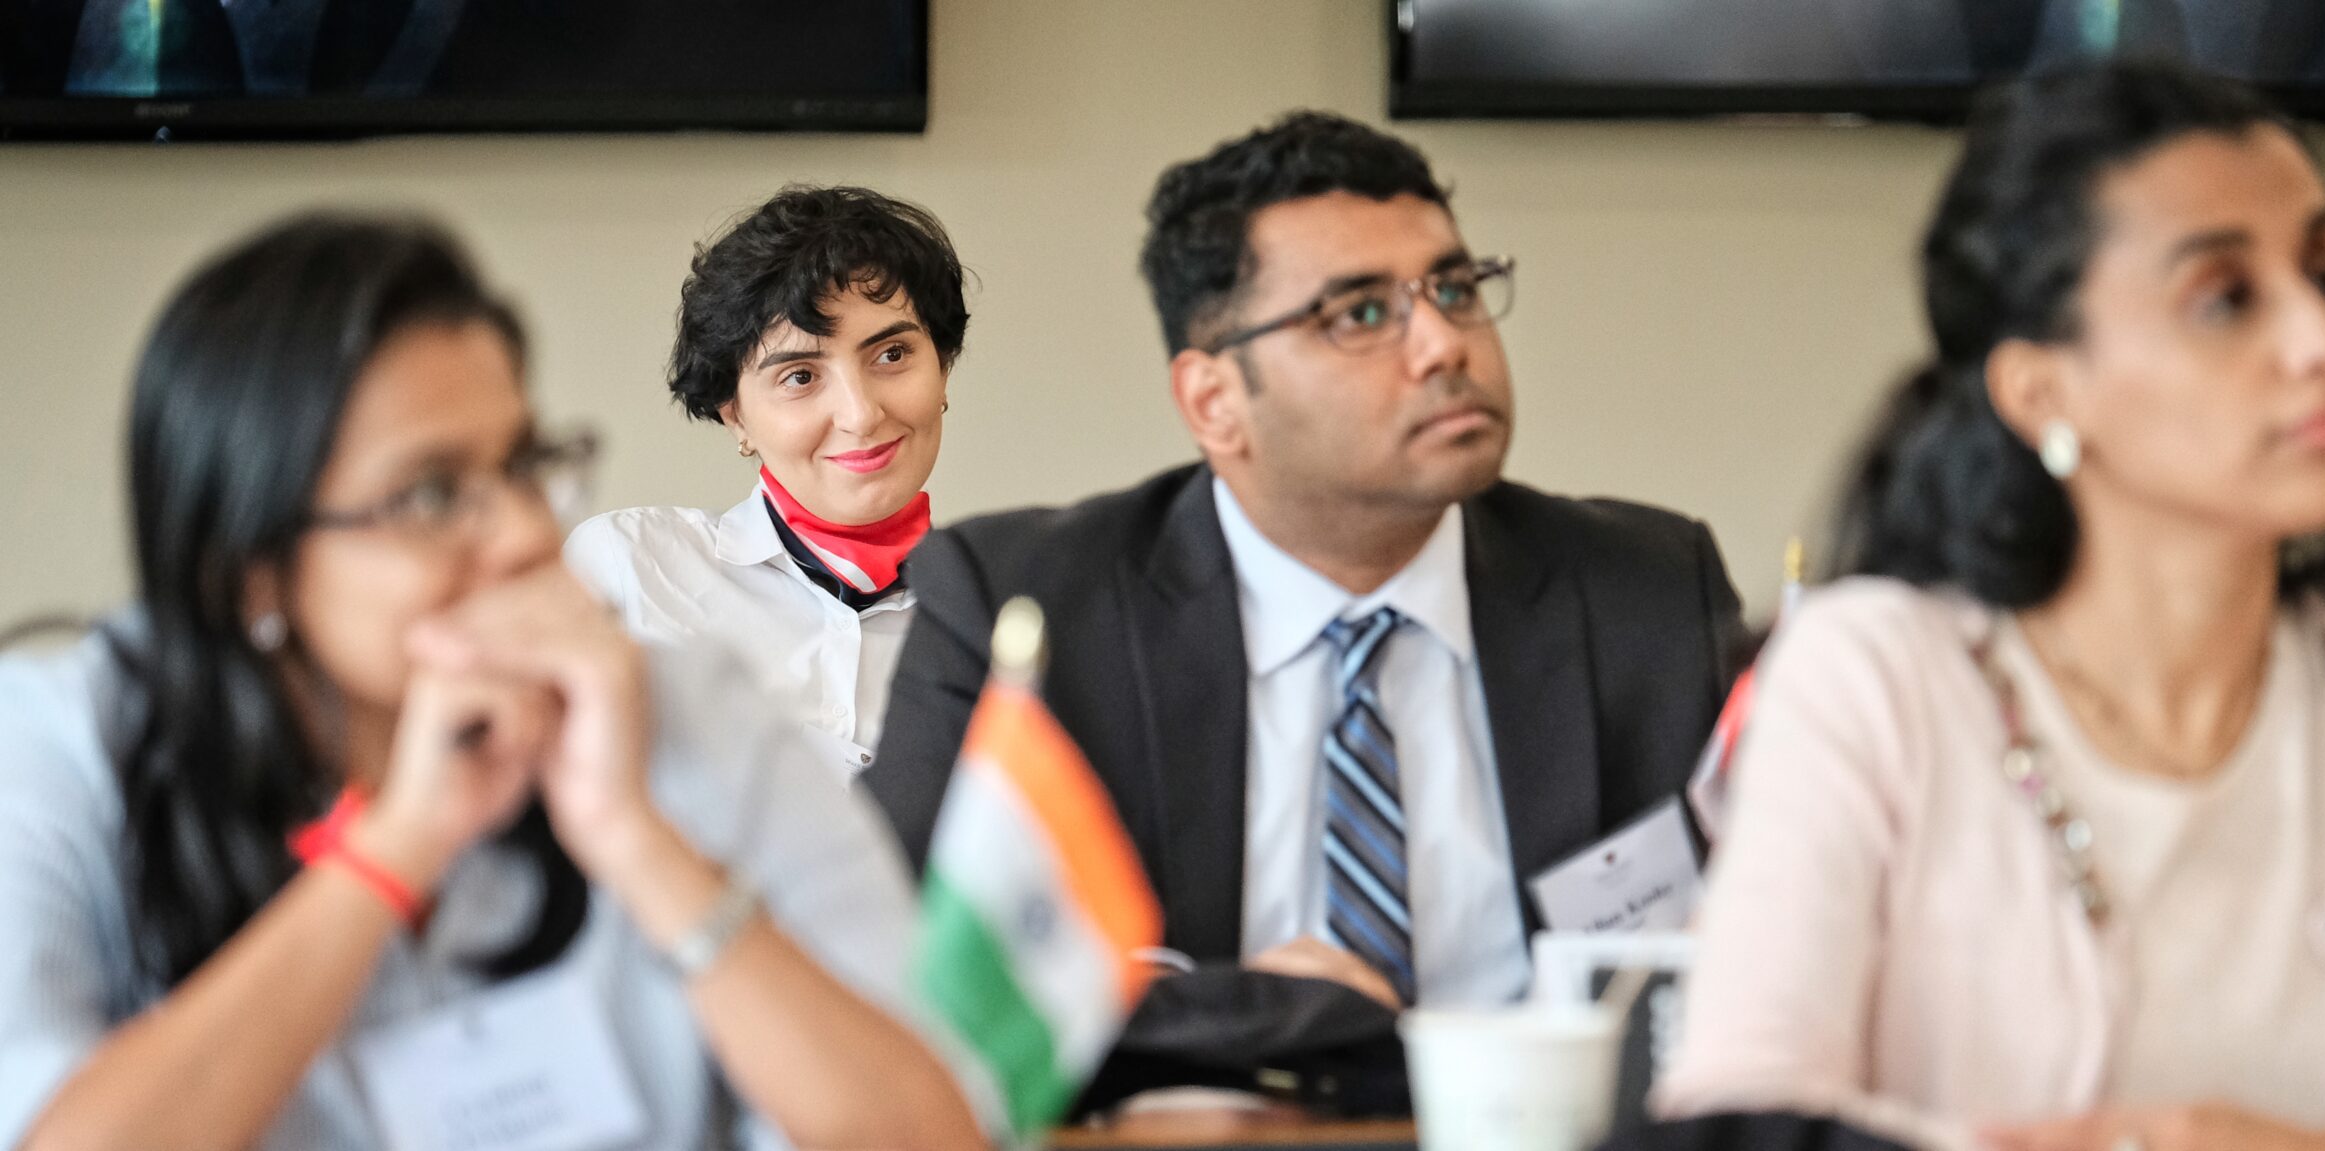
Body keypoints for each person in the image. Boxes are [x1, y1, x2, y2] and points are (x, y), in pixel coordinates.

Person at [1652, 62, 2325, 1151]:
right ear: (2042, 389)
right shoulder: (1872, 673)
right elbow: (1740, 1114)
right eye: (2225, 297)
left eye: (2324, 273)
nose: (2324, 339)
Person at [0, 214, 987, 1150]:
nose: (522, 532)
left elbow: (935, 1129)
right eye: (430, 493)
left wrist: (638, 843)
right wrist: (399, 845)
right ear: (250, 572)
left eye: (522, 464)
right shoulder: (63, 742)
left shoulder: (686, 704)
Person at [866, 111, 1750, 1109]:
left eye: (1454, 290)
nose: (1442, 345)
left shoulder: (1647, 593)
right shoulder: (1022, 602)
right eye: (1360, 314)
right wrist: (1233, 1008)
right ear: (1213, 401)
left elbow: (1771, 955)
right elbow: (893, 971)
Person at [567, 185, 963, 782]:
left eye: (891, 355)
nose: (861, 414)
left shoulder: (991, 617)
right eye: (801, 375)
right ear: (736, 414)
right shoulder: (632, 572)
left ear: (943, 367)